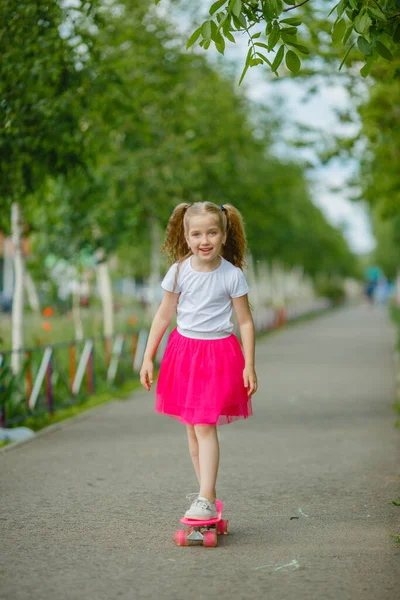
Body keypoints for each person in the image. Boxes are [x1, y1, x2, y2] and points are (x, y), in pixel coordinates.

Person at [140, 202, 257, 520]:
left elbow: (245, 321)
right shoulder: (179, 272)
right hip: (183, 355)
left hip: (217, 357)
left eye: (211, 232)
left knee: (205, 426)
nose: (204, 240)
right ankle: (207, 493)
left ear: (223, 234)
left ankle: (205, 496)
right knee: (192, 429)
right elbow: (164, 314)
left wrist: (250, 364)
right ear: (186, 237)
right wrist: (148, 357)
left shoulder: (232, 275)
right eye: (196, 234)